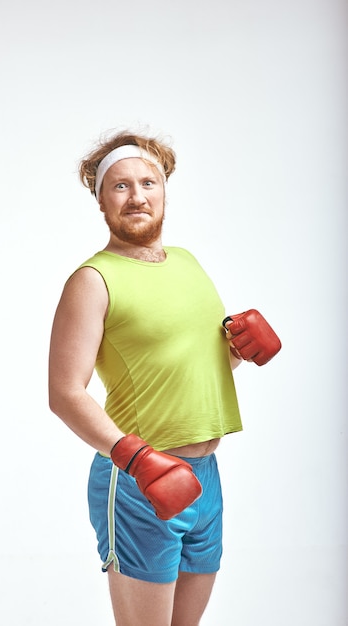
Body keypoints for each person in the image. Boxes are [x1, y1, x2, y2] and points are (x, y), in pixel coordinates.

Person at [48, 130, 281, 626]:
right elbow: (65, 393)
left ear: (164, 191)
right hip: (138, 481)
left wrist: (240, 349)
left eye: (147, 183)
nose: (137, 196)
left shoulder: (189, 263)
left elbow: (192, 362)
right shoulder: (92, 280)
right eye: (121, 186)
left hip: (204, 477)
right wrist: (136, 459)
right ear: (101, 200)